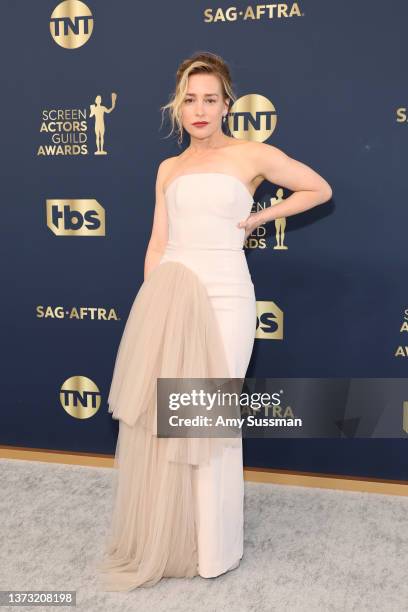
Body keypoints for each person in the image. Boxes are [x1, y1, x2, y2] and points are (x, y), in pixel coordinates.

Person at [96, 51, 332, 592]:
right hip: (171, 293)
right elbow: (157, 240)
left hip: (226, 295)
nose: (198, 109)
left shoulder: (251, 154)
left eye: (209, 99)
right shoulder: (168, 168)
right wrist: (151, 298)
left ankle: (216, 548)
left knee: (210, 419)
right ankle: (177, 538)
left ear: (227, 105)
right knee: (171, 420)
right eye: (189, 99)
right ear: (176, 106)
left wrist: (260, 216)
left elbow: (316, 188)